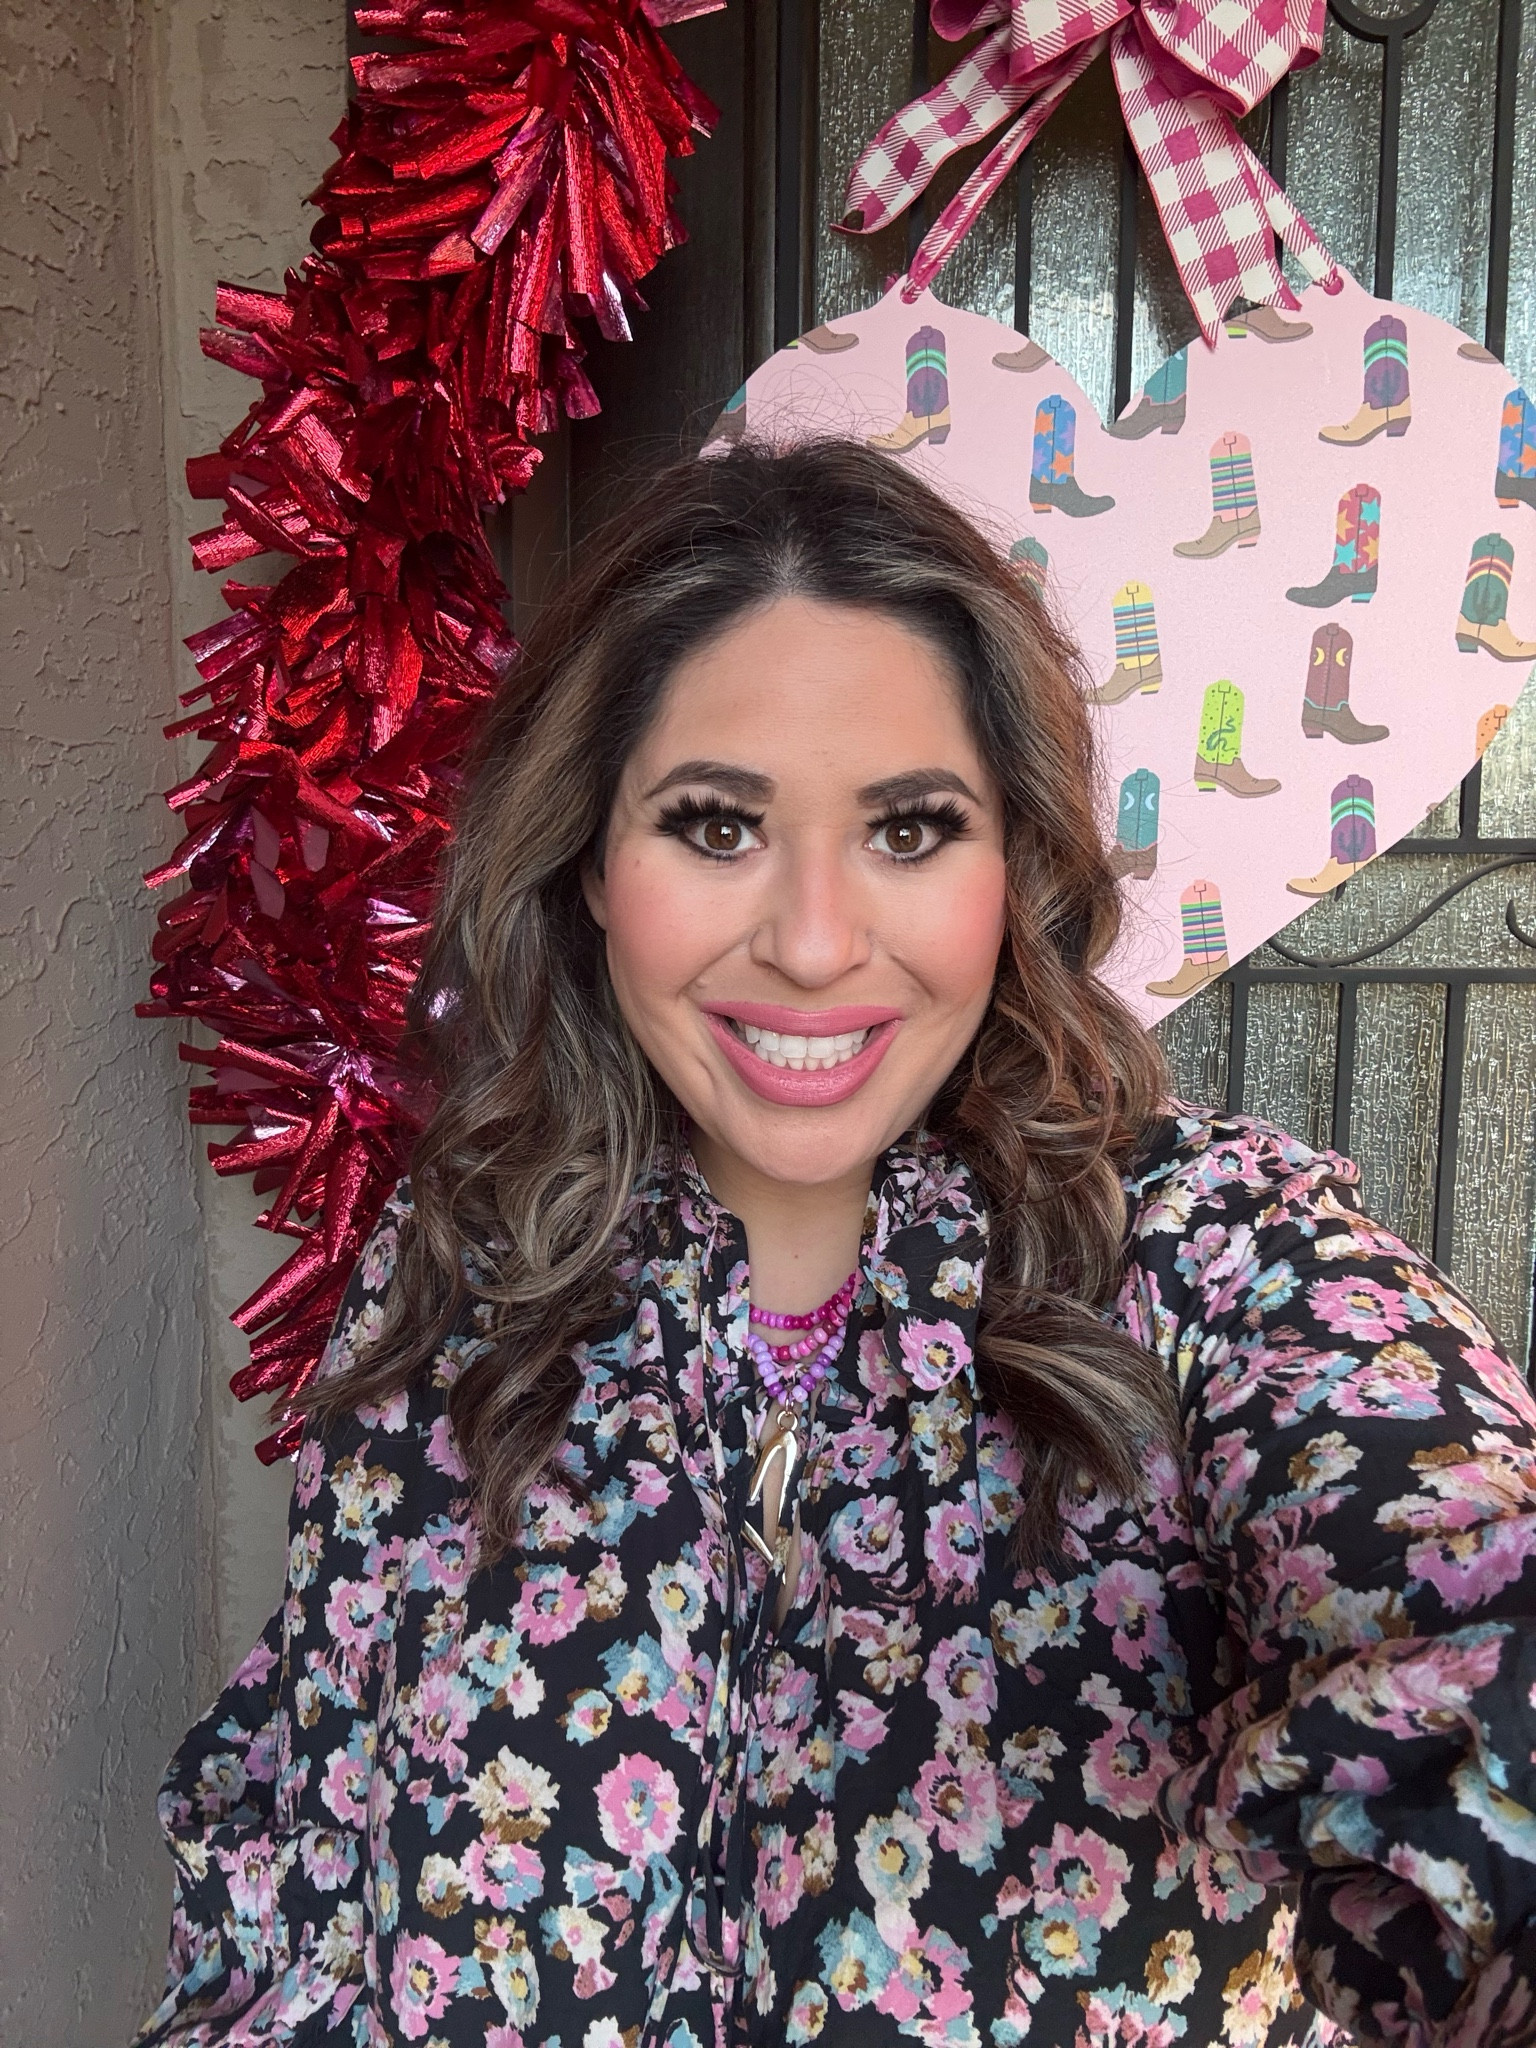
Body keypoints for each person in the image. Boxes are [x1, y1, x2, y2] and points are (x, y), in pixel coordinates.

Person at [133, 443, 1536, 2048]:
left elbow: (1450, 1569)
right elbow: (293, 1885)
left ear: (1015, 864)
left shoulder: (1215, 1254)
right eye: (716, 825)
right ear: (591, 865)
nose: (810, 944)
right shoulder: (460, 1269)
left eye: (911, 829)